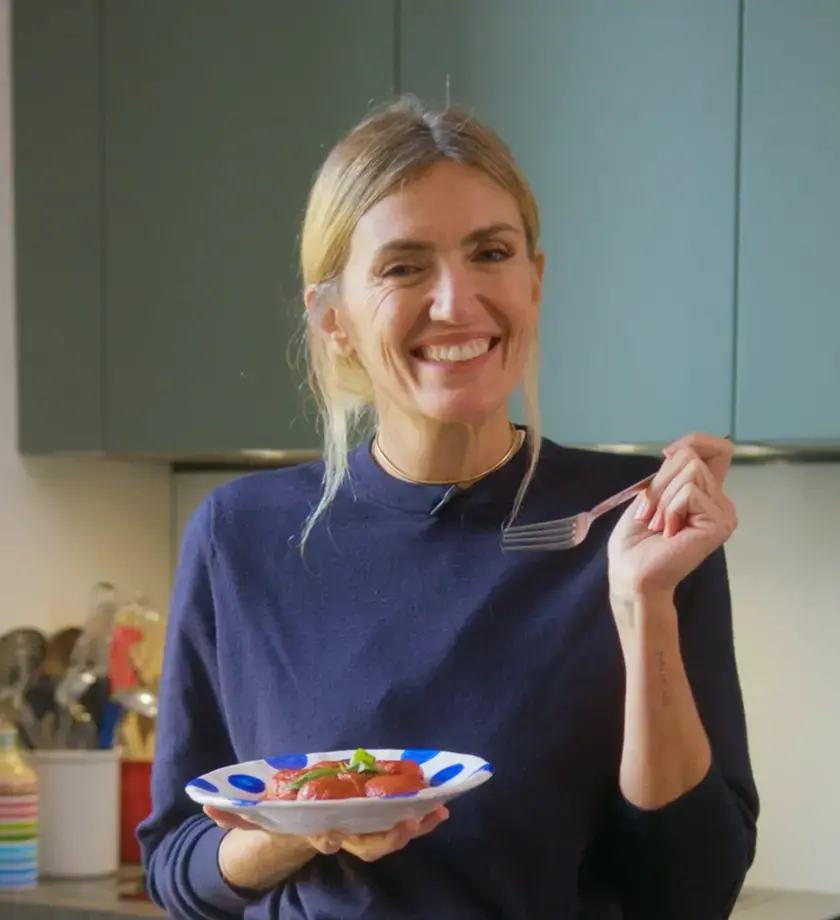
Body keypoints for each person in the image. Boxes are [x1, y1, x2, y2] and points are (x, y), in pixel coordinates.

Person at [137, 96, 759, 919]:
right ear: (333, 322)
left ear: (534, 282)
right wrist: (306, 825)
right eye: (403, 267)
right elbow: (178, 868)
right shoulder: (238, 535)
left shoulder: (640, 522)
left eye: (490, 253)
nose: (456, 303)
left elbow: (689, 891)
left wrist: (641, 604)